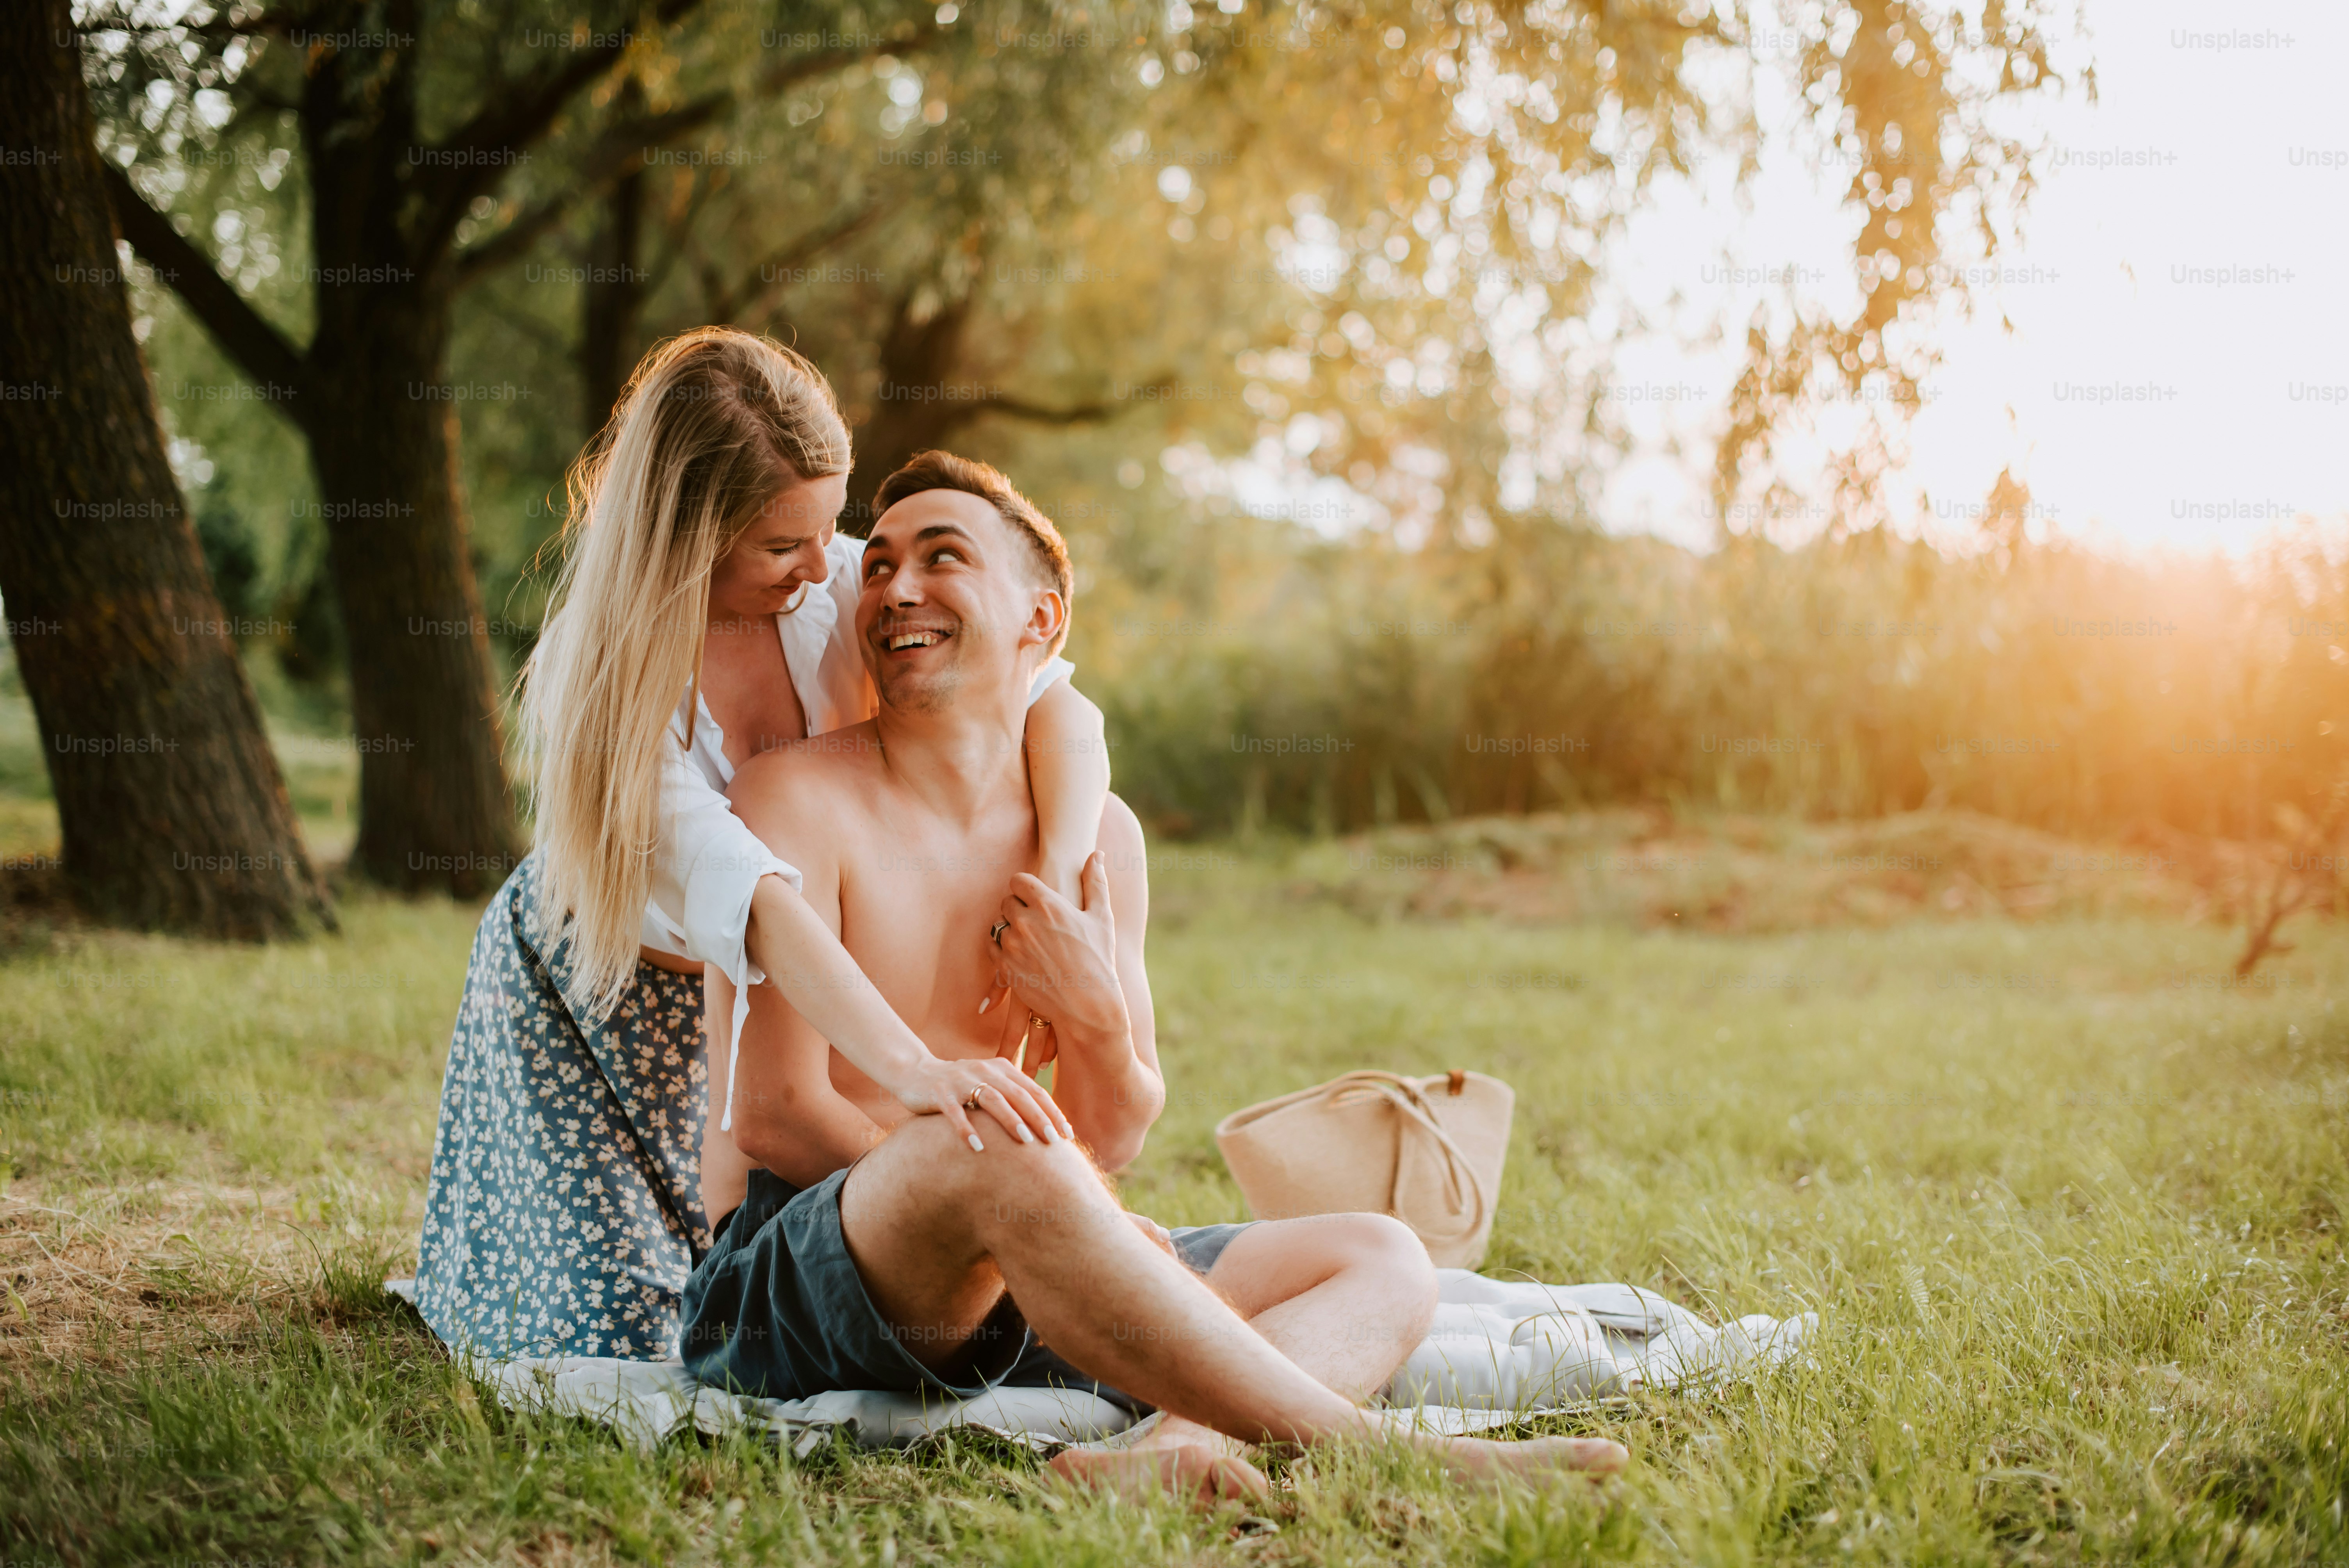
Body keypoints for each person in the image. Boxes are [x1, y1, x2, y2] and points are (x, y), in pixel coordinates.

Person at [686, 452, 1630, 1502]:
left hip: (1018, 1244)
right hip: (788, 1275)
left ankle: (1171, 1455)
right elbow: (772, 1114)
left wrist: (1090, 1026)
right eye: (881, 567)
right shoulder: (792, 800)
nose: (894, 589)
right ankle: (1388, 1456)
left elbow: (1117, 1134)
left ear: (1041, 622)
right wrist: (1022, 1207)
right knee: (999, 1145)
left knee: (1382, 1253)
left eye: (941, 559)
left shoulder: (1099, 840)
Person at [415, 331, 1089, 1361]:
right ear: (686, 539)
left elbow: (1058, 703)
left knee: (747, 1250)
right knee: (598, 1339)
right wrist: (912, 1070)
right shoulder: (598, 682)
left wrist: (1054, 895)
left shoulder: (835, 589)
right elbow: (763, 905)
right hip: (607, 991)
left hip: (775, 990)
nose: (826, 565)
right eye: (783, 547)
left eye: (831, 528)